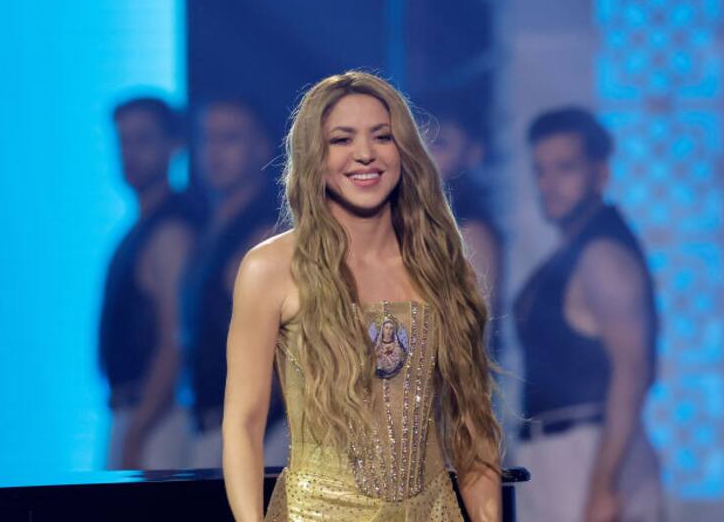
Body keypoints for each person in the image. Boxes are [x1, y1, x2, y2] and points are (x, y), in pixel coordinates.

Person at [220, 72, 503, 521]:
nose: (365, 153)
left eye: (382, 136)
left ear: (404, 149)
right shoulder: (270, 269)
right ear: (314, 154)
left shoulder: (445, 268)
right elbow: (243, 422)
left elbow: (472, 423)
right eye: (342, 139)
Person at [513, 107, 664, 521]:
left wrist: (603, 487)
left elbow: (633, 372)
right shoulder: (575, 249)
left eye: (565, 168)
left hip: (590, 452)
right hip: (560, 454)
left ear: (600, 172)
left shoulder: (603, 254)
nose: (548, 185)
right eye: (540, 171)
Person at [179, 97, 285, 468]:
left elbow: (280, 346)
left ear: (262, 146)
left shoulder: (266, 232)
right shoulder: (210, 228)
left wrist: (248, 432)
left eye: (230, 138)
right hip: (210, 423)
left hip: (253, 432)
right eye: (206, 139)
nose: (214, 152)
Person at [99, 97, 199, 469]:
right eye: (123, 141)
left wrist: (138, 430)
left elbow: (176, 339)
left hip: (157, 419)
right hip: (138, 414)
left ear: (174, 145)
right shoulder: (141, 228)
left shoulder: (170, 231)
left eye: (142, 140)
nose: (129, 153)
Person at [421, 97, 504, 355]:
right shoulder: (407, 222)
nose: (422, 152)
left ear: (473, 154)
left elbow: (474, 338)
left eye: (439, 143)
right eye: (417, 139)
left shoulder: (471, 233)